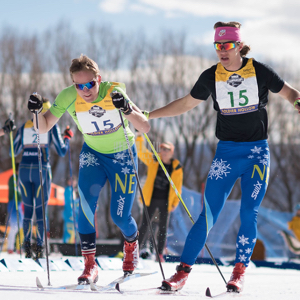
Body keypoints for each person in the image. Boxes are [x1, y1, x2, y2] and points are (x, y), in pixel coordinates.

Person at [148, 21, 300, 293]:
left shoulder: (259, 71)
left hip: (256, 154)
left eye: (227, 45)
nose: (222, 51)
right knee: (208, 214)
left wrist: (298, 104)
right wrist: (148, 115)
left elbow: (290, 93)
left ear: (239, 46)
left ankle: (239, 271)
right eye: (218, 46)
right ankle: (182, 273)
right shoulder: (211, 76)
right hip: (226, 154)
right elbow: (185, 104)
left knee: (248, 212)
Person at [27, 54, 150, 284]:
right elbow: (43, 127)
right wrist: (35, 113)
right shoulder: (68, 96)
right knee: (85, 209)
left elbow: (144, 125)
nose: (85, 90)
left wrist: (127, 109)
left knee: (119, 215)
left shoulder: (113, 91)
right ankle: (90, 266)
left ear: (98, 78)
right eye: (79, 85)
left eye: (90, 84)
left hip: (122, 155)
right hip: (93, 154)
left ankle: (131, 245)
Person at [13, 97, 73, 259]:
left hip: (24, 170)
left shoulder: (24, 126)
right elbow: (61, 151)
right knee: (40, 211)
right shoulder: (51, 127)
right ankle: (39, 247)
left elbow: (14, 151)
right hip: (42, 170)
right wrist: (67, 138)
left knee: (27, 210)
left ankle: (26, 246)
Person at [136, 133, 183, 262]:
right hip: (150, 198)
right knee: (144, 224)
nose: (164, 152)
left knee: (163, 227)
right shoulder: (154, 160)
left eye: (167, 149)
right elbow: (141, 152)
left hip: (166, 200)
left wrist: (175, 203)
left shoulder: (177, 167)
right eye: (162, 149)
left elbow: (178, 187)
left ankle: (160, 254)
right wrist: (139, 136)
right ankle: (136, 250)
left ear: (172, 152)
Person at [6, 162, 24, 254]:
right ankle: (10, 247)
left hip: (20, 203)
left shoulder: (20, 178)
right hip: (13, 202)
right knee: (14, 226)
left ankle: (19, 247)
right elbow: (13, 190)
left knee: (21, 226)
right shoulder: (13, 178)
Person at [63, 177, 77, 243]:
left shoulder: (72, 190)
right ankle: (67, 243)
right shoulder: (68, 190)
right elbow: (69, 202)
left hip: (72, 213)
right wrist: (71, 212)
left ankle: (71, 242)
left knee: (73, 229)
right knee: (69, 229)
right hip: (69, 213)